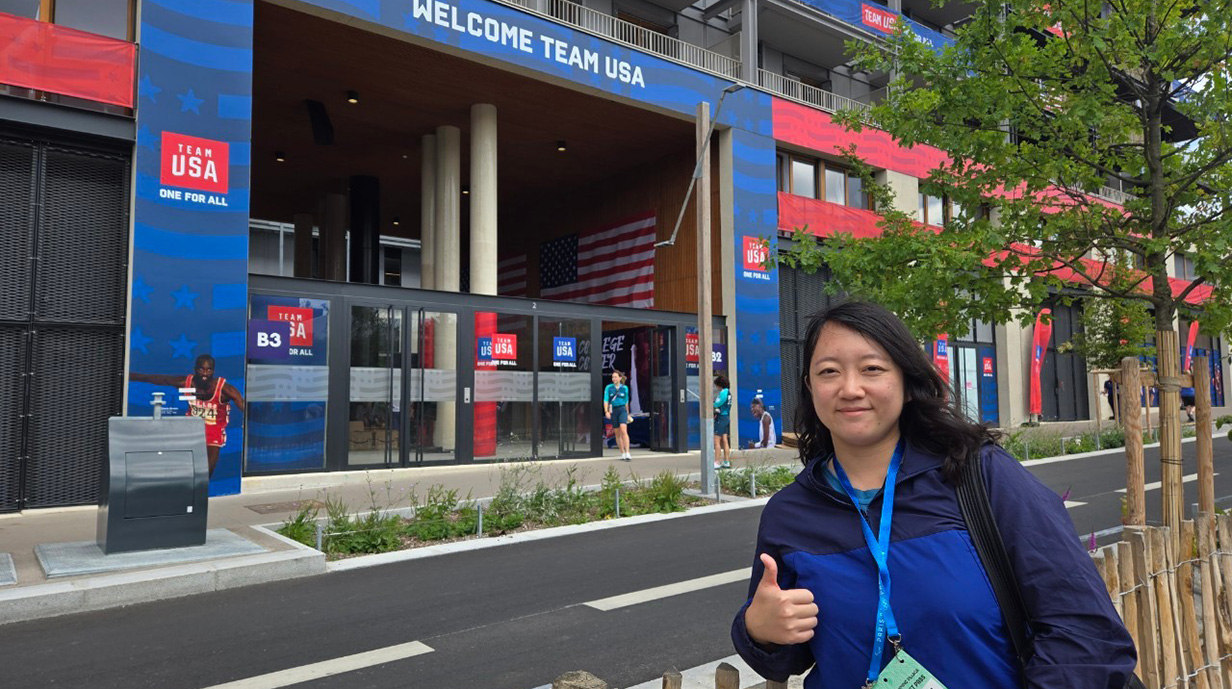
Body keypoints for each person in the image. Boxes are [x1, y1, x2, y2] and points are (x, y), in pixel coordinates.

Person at [731, 301, 1135, 689]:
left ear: (907, 383)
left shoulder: (978, 476)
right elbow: (788, 657)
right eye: (829, 372)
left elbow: (1085, 631)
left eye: (872, 369)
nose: (850, 388)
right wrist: (758, 630)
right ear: (809, 387)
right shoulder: (789, 514)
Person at [131, 354, 246, 477]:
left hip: (214, 430)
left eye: (208, 370)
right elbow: (157, 379)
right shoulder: (186, 383)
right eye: (201, 369)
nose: (205, 373)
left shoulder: (225, 390)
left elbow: (244, 406)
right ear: (195, 369)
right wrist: (130, 376)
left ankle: (200, 490)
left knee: (206, 472)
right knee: (183, 470)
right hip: (192, 428)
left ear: (213, 371)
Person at [604, 370, 632, 461]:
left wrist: (627, 413)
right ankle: (622, 453)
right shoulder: (609, 387)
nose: (614, 379)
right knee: (617, 433)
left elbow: (626, 401)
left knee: (623, 429)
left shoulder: (625, 388)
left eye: (615, 377)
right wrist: (606, 411)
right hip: (613, 410)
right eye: (613, 377)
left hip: (622, 410)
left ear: (620, 378)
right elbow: (606, 400)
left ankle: (628, 452)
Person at [714, 374, 732, 469]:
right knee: (725, 440)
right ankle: (726, 461)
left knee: (716, 441)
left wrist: (711, 403)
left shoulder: (723, 392)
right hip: (726, 418)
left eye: (717, 385)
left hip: (721, 418)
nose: (716, 387)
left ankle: (716, 462)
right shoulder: (729, 393)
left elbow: (718, 403)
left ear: (720, 384)